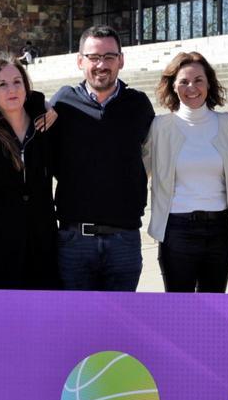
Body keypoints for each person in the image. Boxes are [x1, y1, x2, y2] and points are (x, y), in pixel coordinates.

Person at [49, 25, 155, 291]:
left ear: (121, 60)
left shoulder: (138, 104)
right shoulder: (63, 102)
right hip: (74, 241)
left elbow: (156, 150)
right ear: (80, 61)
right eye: (94, 57)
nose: (101, 64)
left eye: (109, 57)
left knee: (120, 327)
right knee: (75, 324)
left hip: (124, 240)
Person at [143, 51, 228, 293]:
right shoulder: (161, 127)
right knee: (179, 309)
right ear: (172, 86)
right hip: (177, 230)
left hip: (219, 230)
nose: (191, 87)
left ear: (209, 83)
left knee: (213, 308)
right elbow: (140, 172)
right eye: (183, 81)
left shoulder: (227, 124)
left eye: (198, 80)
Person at [0, 59, 59, 289]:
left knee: (42, 308)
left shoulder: (46, 124)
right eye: (2, 84)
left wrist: (46, 105)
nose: (12, 89)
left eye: (17, 82)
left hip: (42, 232)